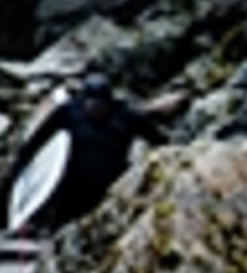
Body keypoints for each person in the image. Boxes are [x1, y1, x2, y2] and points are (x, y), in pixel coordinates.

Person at [14, 70, 167, 235]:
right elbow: (36, 141)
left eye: (100, 105)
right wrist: (19, 169)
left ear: (109, 102)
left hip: (111, 184)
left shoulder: (127, 115)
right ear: (83, 100)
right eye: (91, 104)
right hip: (73, 187)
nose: (95, 110)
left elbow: (159, 141)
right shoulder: (69, 112)